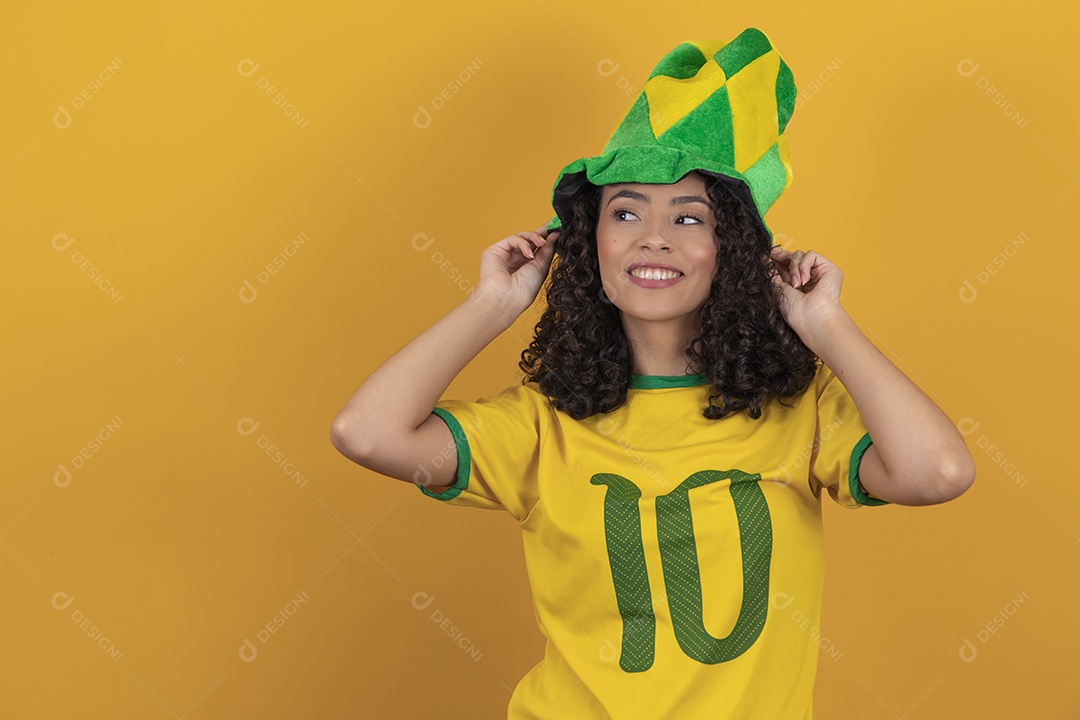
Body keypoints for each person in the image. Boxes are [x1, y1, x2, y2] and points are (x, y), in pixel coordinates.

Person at [330, 28, 975, 720]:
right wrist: (494, 303)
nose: (654, 237)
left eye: (689, 217)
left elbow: (938, 472)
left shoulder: (801, 410)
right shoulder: (540, 423)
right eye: (626, 211)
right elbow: (366, 433)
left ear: (730, 248)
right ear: (593, 243)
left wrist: (824, 324)